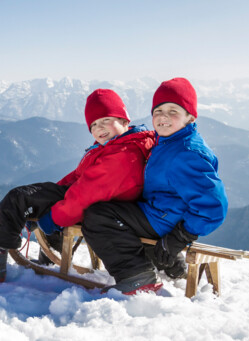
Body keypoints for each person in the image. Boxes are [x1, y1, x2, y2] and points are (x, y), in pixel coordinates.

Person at [0, 89, 155, 282]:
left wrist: (52, 218)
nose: (99, 128)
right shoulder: (118, 146)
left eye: (106, 121)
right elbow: (78, 177)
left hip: (99, 207)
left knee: (18, 198)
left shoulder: (122, 155)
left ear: (124, 120)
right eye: (93, 125)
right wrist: (44, 201)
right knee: (33, 197)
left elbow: (85, 195)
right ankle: (48, 257)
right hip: (99, 201)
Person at [81, 77, 228, 295]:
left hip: (166, 219)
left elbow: (213, 206)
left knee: (98, 216)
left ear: (190, 116)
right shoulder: (169, 141)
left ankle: (136, 276)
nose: (163, 117)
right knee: (112, 207)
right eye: (158, 111)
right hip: (161, 212)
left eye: (173, 111)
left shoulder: (187, 153)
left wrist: (181, 237)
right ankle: (167, 265)